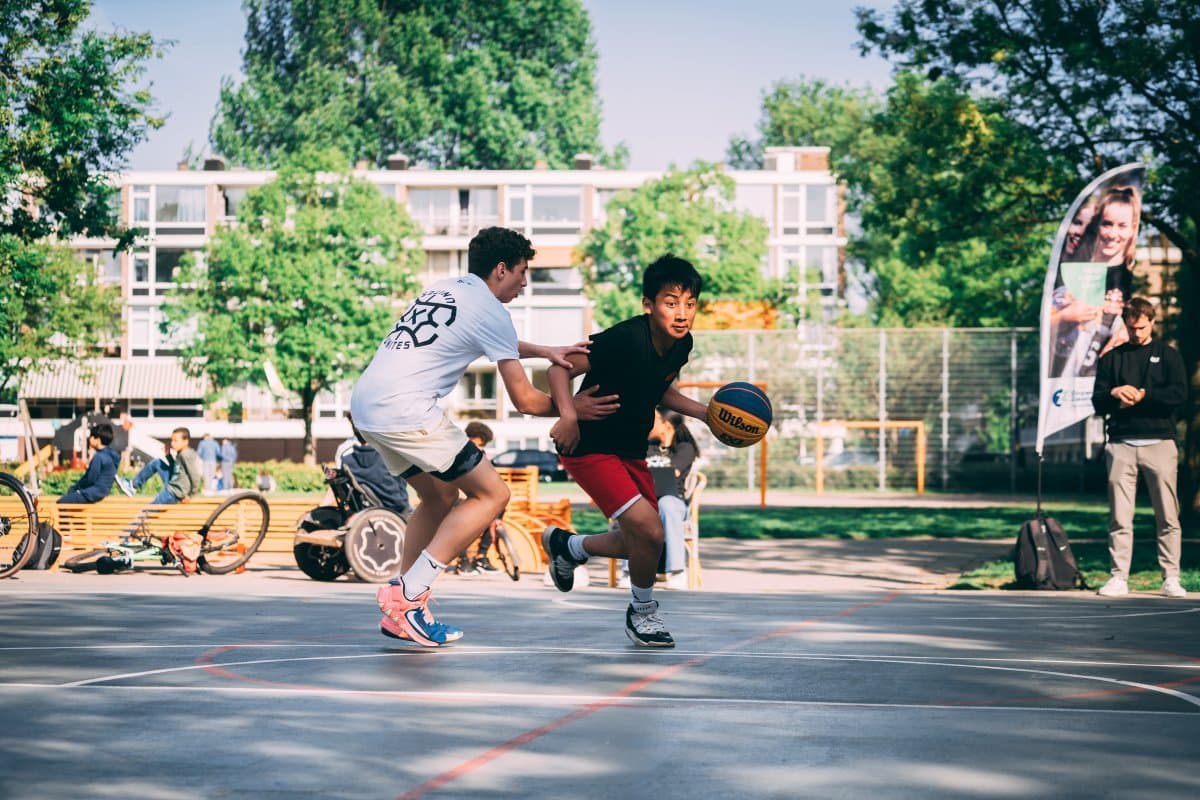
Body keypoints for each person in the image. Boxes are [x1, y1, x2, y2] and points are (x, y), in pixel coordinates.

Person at [352, 226, 617, 646]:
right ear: (501, 269)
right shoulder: (492, 311)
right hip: (405, 409)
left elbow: (489, 337)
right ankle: (407, 595)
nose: (525, 282)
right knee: (493, 495)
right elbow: (527, 401)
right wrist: (574, 409)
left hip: (367, 406)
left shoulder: (446, 289)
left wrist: (546, 350)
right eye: (522, 272)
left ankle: (405, 606)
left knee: (439, 497)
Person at [543, 255, 711, 648]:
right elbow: (558, 368)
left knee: (644, 542)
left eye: (690, 303)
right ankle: (643, 612)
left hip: (629, 450)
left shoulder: (680, 345)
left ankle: (568, 546)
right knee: (651, 530)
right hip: (590, 447)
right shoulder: (626, 339)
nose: (682, 312)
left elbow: (659, 388)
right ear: (648, 304)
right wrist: (568, 416)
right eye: (671, 302)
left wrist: (704, 413)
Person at [1091, 297, 1188, 598]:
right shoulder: (1112, 358)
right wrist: (1115, 392)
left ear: (1152, 322)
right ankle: (1118, 577)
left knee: (1167, 515)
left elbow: (1179, 394)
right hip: (1121, 444)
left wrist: (1145, 396)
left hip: (1160, 443)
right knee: (1120, 517)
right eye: (1131, 328)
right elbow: (1097, 400)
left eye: (1142, 328)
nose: (1136, 333)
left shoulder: (1168, 356)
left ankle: (1170, 576)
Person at [646, 408, 699, 589]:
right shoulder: (647, 446)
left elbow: (671, 475)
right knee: (634, 508)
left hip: (674, 501)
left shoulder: (685, 448)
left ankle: (677, 572)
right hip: (648, 500)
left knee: (666, 504)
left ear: (666, 425)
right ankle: (630, 571)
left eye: (655, 419)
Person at [451, 421, 503, 576]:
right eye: (477, 444)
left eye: (482, 445)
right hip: (458, 498)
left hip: (476, 498)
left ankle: (481, 557)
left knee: (496, 512)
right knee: (461, 520)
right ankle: (463, 561)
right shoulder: (458, 452)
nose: (479, 448)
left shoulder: (482, 456)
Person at [117, 427, 203, 504]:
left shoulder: (187, 455)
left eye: (176, 441)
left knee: (147, 513)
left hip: (175, 490)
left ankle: (133, 486)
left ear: (185, 441)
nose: (172, 443)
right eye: (172, 440)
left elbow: (195, 476)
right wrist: (168, 455)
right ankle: (133, 486)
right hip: (173, 483)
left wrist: (190, 495)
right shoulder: (180, 453)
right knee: (157, 462)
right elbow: (175, 469)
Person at [58, 423, 120, 503]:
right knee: (71, 494)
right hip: (102, 492)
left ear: (98, 440)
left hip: (93, 493)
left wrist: (77, 487)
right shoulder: (110, 455)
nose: (89, 439)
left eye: (91, 437)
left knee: (61, 503)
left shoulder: (99, 457)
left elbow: (90, 479)